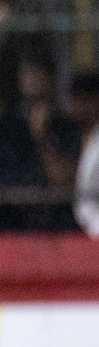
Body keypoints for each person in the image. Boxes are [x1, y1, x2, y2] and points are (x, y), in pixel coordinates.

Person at [0, 3, 83, 230]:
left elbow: (64, 183)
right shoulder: (10, 120)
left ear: (51, 78)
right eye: (26, 71)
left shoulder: (65, 126)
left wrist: (41, 137)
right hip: (7, 225)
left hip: (51, 228)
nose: (30, 78)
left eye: (37, 72)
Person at [70, 71, 99, 236]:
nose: (79, 107)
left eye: (86, 100)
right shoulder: (70, 135)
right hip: (78, 231)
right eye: (76, 100)